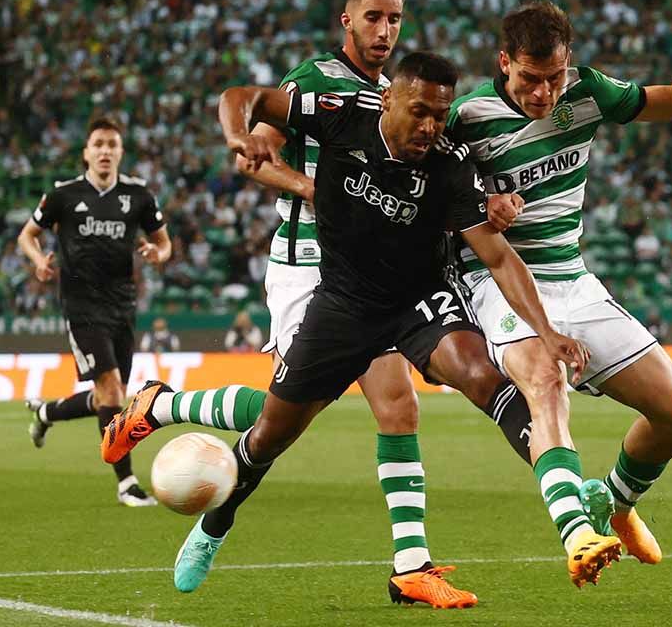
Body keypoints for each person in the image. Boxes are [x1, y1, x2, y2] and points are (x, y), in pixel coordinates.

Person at [104, 52, 607, 598]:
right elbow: (239, 98)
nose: (430, 127)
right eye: (419, 112)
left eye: (439, 115)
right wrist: (236, 137)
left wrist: (546, 332)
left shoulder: (449, 160)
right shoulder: (341, 111)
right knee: (274, 429)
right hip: (343, 303)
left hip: (419, 298)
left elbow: (499, 257)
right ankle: (191, 470)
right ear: (388, 99)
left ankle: (547, 519)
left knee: (476, 382)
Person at [145, 0, 536, 606]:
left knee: (396, 406)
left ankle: (411, 564)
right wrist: (312, 187)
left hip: (375, 275)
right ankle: (193, 470)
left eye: (395, 20)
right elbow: (259, 155)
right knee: (277, 421)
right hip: (308, 264)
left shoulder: (400, 95)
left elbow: (443, 179)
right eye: (374, 18)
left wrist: (491, 200)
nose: (385, 31)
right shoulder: (316, 84)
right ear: (347, 21)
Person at [444, 0, 672, 562]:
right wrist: (479, 200)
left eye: (554, 77)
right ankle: (577, 531)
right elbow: (426, 187)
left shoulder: (586, 92)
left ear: (569, 62)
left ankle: (614, 503)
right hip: (496, 279)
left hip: (571, 278)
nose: (545, 94)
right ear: (504, 61)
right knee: (544, 377)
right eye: (532, 79)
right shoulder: (466, 117)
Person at [19, 116, 171, 506]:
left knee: (110, 395)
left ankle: (47, 413)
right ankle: (127, 484)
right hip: (81, 304)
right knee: (111, 389)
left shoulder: (138, 196)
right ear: (86, 152)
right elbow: (27, 235)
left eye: (112, 144)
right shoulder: (64, 195)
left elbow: (164, 243)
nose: (105, 151)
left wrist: (158, 253)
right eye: (98, 144)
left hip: (122, 304)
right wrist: (38, 261)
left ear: (121, 152)